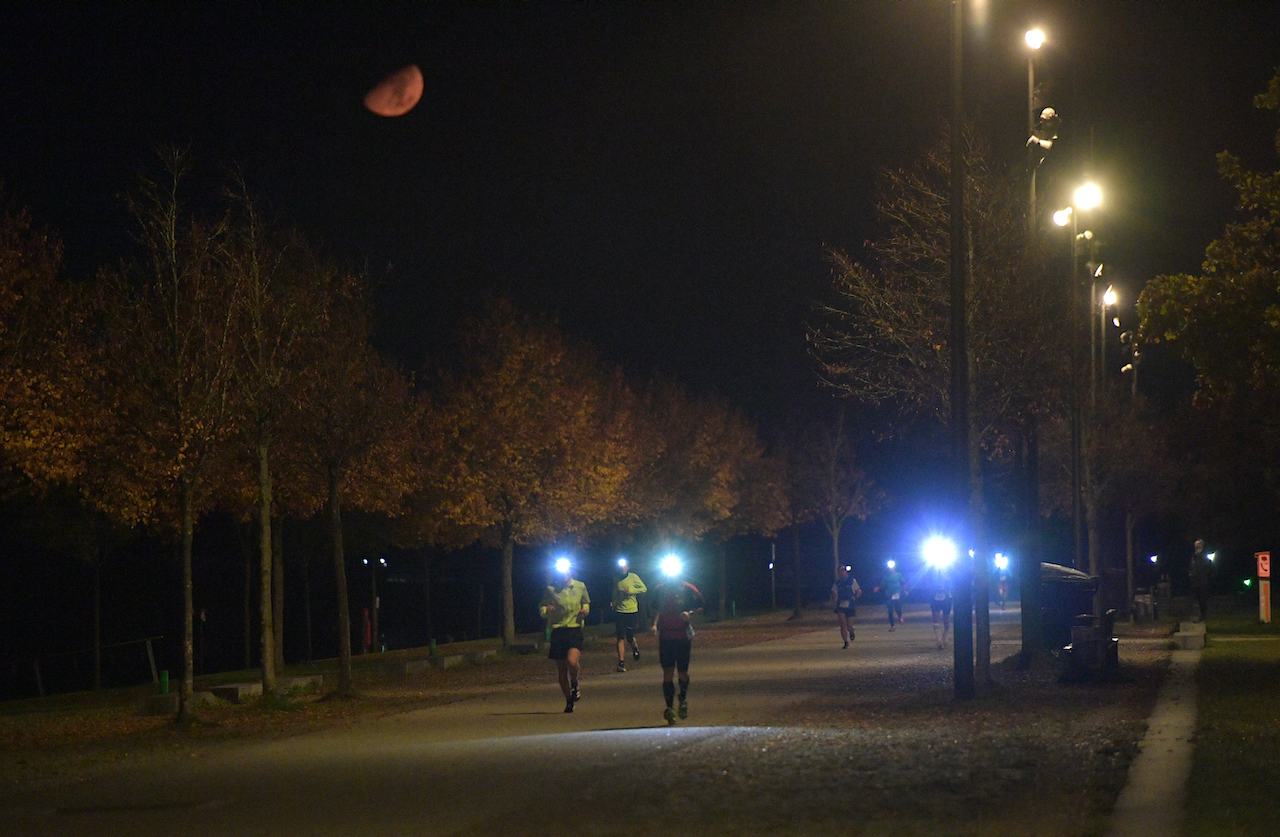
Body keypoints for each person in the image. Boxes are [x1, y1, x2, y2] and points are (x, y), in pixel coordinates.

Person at [651, 572, 705, 725]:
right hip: (666, 637)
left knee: (682, 673)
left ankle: (682, 697)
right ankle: (669, 708)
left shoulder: (688, 589)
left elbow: (702, 607)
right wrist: (655, 625)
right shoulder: (660, 590)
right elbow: (656, 609)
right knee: (667, 672)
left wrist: (690, 614)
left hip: (682, 637)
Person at [539, 562, 590, 713]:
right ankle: (568, 700)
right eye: (560, 572)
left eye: (566, 571)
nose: (563, 574)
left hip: (574, 629)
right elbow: (541, 608)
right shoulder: (551, 590)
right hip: (558, 630)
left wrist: (584, 610)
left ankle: (575, 683)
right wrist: (546, 610)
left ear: (570, 572)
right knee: (561, 670)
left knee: (572, 661)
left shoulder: (580, 586)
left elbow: (586, 602)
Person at [610, 558, 647, 672]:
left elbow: (644, 588)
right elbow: (614, 593)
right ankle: (621, 662)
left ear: (628, 567)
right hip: (619, 611)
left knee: (629, 636)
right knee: (620, 637)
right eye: (620, 566)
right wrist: (613, 602)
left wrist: (630, 591)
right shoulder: (616, 579)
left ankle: (634, 647)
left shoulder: (633, 577)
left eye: (624, 566)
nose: (622, 568)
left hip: (631, 610)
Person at [830, 567, 861, 648]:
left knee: (849, 626)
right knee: (842, 624)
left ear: (846, 572)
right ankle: (845, 642)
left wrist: (855, 597)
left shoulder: (852, 581)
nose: (841, 572)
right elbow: (834, 594)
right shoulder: (837, 583)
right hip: (841, 605)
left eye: (843, 571)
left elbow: (859, 591)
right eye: (840, 571)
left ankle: (851, 631)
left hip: (850, 604)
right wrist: (835, 604)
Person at [874, 562, 907, 631]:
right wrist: (878, 588)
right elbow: (883, 585)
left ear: (894, 568)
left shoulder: (898, 575)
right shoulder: (886, 577)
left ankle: (900, 616)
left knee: (898, 608)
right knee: (890, 611)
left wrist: (905, 590)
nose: (890, 569)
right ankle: (892, 626)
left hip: (897, 594)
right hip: (889, 595)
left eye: (892, 568)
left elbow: (903, 582)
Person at [927, 570, 953, 649]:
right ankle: (938, 640)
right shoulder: (932, 572)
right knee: (936, 619)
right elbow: (928, 583)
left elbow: (952, 583)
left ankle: (945, 636)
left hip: (946, 598)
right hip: (935, 598)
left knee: (946, 620)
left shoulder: (948, 571)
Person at [1189, 539, 1212, 623]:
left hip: (1202, 581)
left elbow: (1207, 568)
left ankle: (1203, 616)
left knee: (1202, 599)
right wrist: (1191, 574)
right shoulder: (1193, 556)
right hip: (1195, 581)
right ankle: (1195, 616)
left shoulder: (1204, 556)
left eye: (1199, 545)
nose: (1197, 547)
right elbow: (1191, 566)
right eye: (1196, 545)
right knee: (1195, 599)